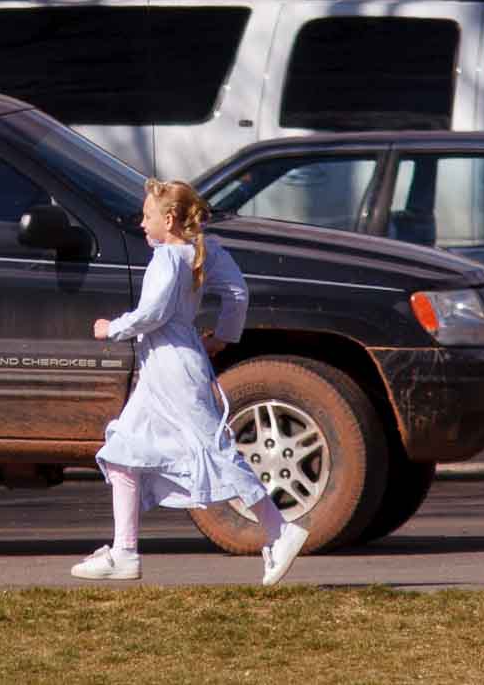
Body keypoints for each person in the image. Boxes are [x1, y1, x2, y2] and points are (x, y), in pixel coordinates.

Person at [75, 179, 309, 586]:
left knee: (214, 452)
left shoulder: (168, 259)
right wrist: (223, 335)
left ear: (168, 219)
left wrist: (111, 328)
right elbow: (237, 292)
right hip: (165, 369)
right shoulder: (203, 251)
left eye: (147, 216)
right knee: (122, 454)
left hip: (174, 371)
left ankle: (279, 528)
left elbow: (154, 314)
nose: (142, 223)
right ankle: (124, 552)